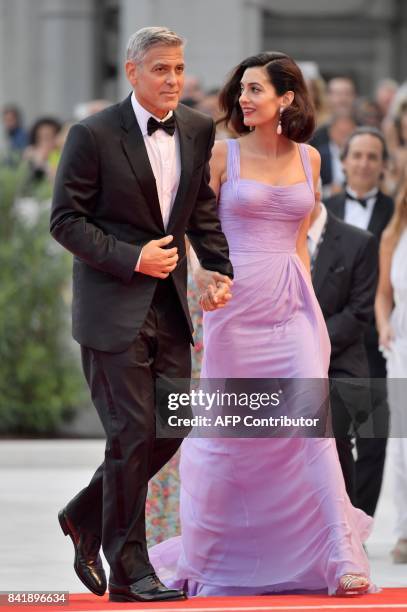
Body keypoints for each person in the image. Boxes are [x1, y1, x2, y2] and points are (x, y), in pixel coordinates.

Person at [150, 51, 372, 597]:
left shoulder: (311, 160)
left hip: (293, 305)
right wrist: (201, 277)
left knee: (310, 428)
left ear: (286, 98)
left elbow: (298, 241)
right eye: (242, 90)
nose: (244, 99)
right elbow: (186, 228)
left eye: (255, 90)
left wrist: (312, 311)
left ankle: (339, 553)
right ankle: (219, 558)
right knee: (233, 438)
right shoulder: (221, 155)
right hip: (234, 308)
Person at [50, 26, 233, 603]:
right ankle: (131, 572)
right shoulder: (92, 134)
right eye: (160, 69)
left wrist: (221, 267)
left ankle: (84, 514)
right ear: (133, 72)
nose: (173, 79)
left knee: (170, 427)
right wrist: (133, 258)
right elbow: (65, 220)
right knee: (131, 433)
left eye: (178, 68)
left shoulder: (198, 128)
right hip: (111, 311)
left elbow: (199, 205)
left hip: (171, 309)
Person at [326, 127, 394, 518]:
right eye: (358, 155)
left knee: (373, 440)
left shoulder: (396, 211)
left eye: (373, 156)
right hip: (334, 340)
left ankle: (360, 525)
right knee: (332, 438)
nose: (364, 163)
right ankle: (334, 521)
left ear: (383, 165)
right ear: (345, 160)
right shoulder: (324, 208)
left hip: (377, 342)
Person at [309, 187, 378, 504]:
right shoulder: (273, 242)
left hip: (340, 364)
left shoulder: (359, 242)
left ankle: (345, 530)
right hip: (281, 361)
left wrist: (308, 343)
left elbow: (358, 314)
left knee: (329, 430)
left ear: (315, 191)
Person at [375, 171, 407, 563]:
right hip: (402, 345)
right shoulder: (393, 236)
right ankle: (404, 530)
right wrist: (383, 326)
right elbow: (384, 296)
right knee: (402, 442)